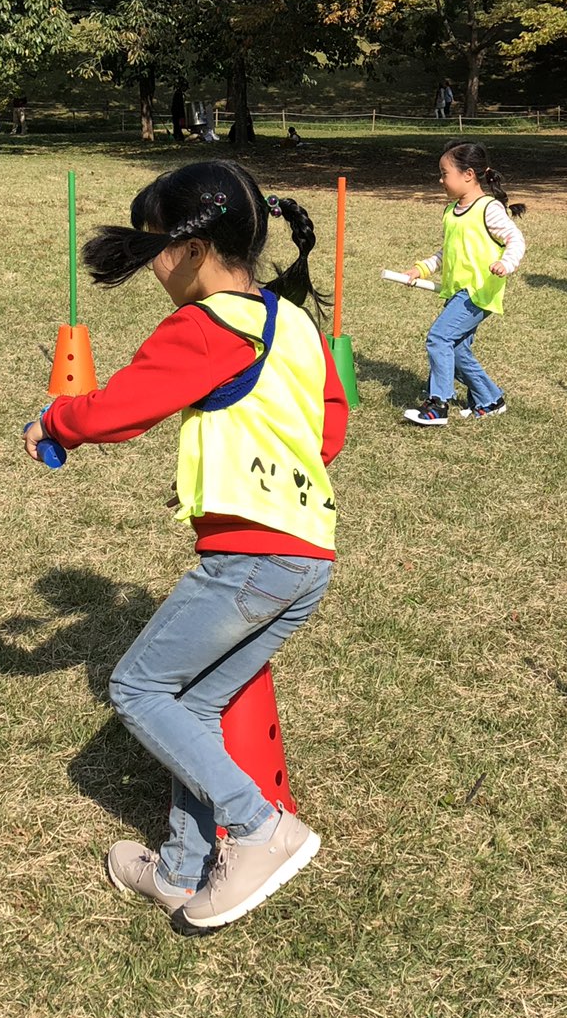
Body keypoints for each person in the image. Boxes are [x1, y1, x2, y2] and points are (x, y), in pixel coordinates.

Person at [25, 160, 348, 931]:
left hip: (252, 560)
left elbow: (118, 411)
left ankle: (260, 827)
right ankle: (180, 870)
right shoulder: (293, 321)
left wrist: (55, 421)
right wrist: (234, 475)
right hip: (307, 558)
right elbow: (327, 427)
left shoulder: (206, 326)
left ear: (196, 249)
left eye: (156, 250)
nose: (153, 268)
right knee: (195, 702)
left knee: (138, 689)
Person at [399, 142, 526, 426]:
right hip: (457, 293)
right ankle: (490, 400)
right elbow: (447, 251)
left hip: (477, 292)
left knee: (439, 338)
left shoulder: (488, 209)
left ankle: (438, 404)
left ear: (468, 174)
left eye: (445, 173)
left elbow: (515, 239)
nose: (440, 180)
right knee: (456, 351)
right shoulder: (451, 211)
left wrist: (506, 264)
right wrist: (422, 268)